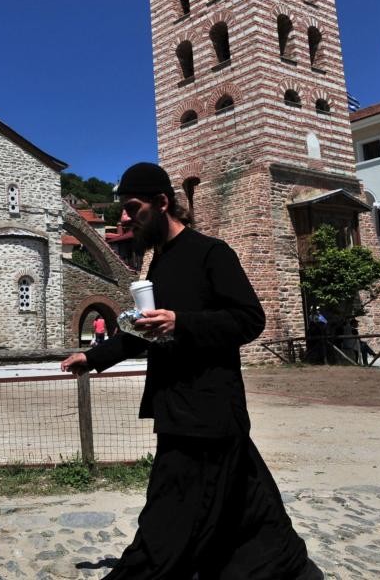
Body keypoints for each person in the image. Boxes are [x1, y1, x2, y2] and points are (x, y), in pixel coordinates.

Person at [60, 162, 323, 580]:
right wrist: (92, 358)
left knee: (172, 505)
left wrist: (182, 323)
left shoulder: (211, 253)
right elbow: (142, 332)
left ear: (162, 203)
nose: (125, 218)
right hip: (179, 406)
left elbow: (249, 319)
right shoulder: (159, 265)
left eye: (132, 208)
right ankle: (283, 567)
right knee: (244, 501)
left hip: (209, 408)